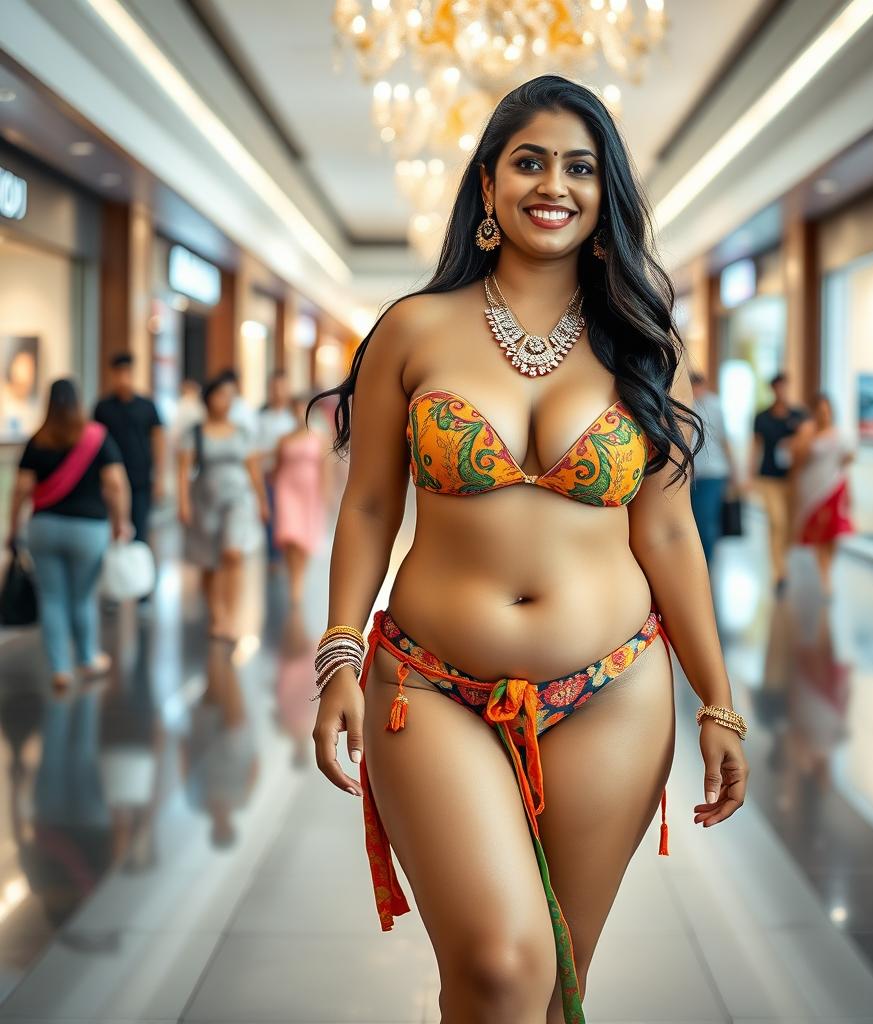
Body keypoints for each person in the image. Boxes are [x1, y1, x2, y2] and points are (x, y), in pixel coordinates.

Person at [310, 75, 749, 1023]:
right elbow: (371, 503)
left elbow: (669, 530)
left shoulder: (639, 343)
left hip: (614, 690)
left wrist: (720, 702)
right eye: (531, 161)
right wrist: (339, 652)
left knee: (560, 981)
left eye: (581, 167)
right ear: (489, 184)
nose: (555, 183)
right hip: (428, 688)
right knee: (501, 969)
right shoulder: (413, 330)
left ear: (605, 198)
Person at [5, 379, 132, 689]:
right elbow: (115, 485)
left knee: (51, 598)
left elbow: (21, 488)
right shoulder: (96, 438)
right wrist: (121, 522)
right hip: (88, 529)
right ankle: (88, 658)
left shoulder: (38, 440)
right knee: (82, 597)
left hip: (44, 527)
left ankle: (60, 668)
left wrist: (12, 527)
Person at [177, 372, 267, 644]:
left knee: (233, 554)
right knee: (209, 560)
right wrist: (183, 503)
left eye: (230, 395)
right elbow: (183, 470)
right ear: (208, 399)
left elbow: (253, 469)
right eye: (220, 395)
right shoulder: (194, 433)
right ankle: (216, 614)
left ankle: (231, 616)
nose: (225, 401)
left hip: (239, 500)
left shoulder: (242, 432)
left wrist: (263, 501)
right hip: (205, 499)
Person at [93, 352, 166, 554]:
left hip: (140, 478)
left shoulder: (146, 406)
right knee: (114, 529)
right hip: (111, 478)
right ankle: (116, 576)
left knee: (140, 531)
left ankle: (138, 576)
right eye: (118, 373)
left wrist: (159, 476)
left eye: (126, 372)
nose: (122, 378)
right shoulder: (103, 407)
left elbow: (159, 439)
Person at [791, 393, 855, 596]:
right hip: (812, 488)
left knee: (834, 532)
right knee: (819, 531)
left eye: (827, 412)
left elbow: (847, 460)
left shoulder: (840, 434)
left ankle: (828, 569)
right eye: (820, 412)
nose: (824, 416)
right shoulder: (808, 432)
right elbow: (797, 460)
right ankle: (824, 574)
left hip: (834, 485)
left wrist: (850, 490)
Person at [751, 372, 806, 593]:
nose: (781, 391)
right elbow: (755, 446)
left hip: (792, 479)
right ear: (772, 389)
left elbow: (807, 441)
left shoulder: (798, 416)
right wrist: (749, 474)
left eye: (785, 387)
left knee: (791, 526)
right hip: (768, 477)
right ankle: (779, 572)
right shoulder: (762, 417)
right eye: (777, 387)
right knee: (777, 522)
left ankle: (782, 560)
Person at [272, 394, 327, 605]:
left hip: (309, 491)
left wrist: (324, 492)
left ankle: (299, 578)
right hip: (287, 488)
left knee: (304, 537)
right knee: (290, 535)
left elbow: (324, 467)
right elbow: (277, 467)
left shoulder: (318, 437)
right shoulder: (284, 439)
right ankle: (293, 577)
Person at [688, 370, 735, 564]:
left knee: (706, 521)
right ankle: (697, 562)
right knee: (695, 521)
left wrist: (735, 473)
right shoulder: (684, 403)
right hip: (690, 474)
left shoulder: (715, 405)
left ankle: (705, 564)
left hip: (713, 472)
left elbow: (725, 440)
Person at [257, 370, 298, 562]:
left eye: (282, 387)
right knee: (271, 522)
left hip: (292, 478)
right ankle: (273, 561)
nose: (278, 392)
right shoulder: (260, 418)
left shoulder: (295, 418)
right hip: (269, 476)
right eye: (275, 387)